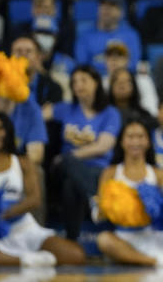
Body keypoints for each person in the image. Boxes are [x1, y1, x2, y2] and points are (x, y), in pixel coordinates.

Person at [0, 80, 85, 267]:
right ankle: (24, 260)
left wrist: (3, 214)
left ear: (8, 132)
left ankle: (11, 259)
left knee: (76, 255)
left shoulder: (22, 161)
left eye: (0, 129)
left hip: (22, 227)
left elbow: (35, 199)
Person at [95, 119, 163, 267]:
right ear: (122, 142)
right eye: (130, 137)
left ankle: (147, 259)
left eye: (140, 137)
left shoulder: (157, 174)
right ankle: (155, 261)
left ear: (148, 142)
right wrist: (114, 208)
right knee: (104, 240)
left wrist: (161, 206)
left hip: (154, 234)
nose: (135, 142)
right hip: (124, 236)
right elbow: (98, 213)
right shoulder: (110, 173)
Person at [45, 65, 121, 240]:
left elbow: (103, 146)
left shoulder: (110, 113)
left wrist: (72, 156)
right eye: (74, 82)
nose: (78, 85)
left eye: (84, 80)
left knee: (71, 185)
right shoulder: (65, 108)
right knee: (66, 166)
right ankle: (95, 199)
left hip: (97, 170)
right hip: (63, 168)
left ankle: (72, 240)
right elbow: (36, 116)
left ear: (96, 83)